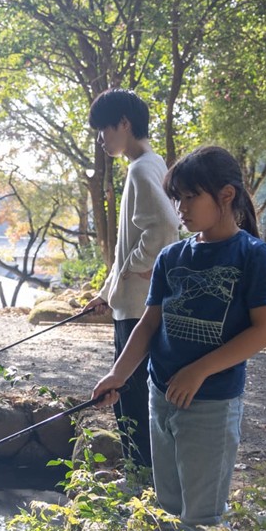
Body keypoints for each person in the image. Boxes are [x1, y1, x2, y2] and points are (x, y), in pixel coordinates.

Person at [92, 145, 266, 527]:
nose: (181, 208)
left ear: (226, 195)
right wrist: (119, 374)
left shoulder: (254, 256)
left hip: (211, 402)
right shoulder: (171, 257)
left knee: (203, 514)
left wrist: (199, 371)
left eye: (191, 196)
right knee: (169, 503)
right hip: (159, 394)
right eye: (177, 198)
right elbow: (147, 325)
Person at [84, 90, 181, 468]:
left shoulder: (141, 169)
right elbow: (131, 243)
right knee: (138, 395)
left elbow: (164, 227)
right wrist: (108, 292)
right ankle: (148, 479)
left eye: (103, 130)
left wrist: (142, 266)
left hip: (137, 308)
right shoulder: (152, 163)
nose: (101, 139)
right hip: (133, 302)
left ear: (123, 123)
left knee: (128, 396)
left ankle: (141, 480)